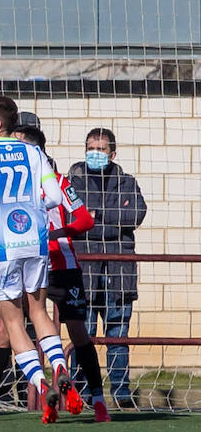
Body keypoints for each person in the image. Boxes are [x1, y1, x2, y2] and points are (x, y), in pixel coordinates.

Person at [0, 118, 104, 421]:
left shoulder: (57, 181)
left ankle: (97, 401)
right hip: (32, 260)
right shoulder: (15, 187)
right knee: (5, 329)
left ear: (36, 151)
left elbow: (84, 220)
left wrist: (55, 234)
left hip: (59, 265)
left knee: (75, 332)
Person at [0, 95, 68, 423]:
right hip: (35, 243)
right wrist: (29, 209)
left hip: (2, 246)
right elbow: (54, 197)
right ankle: (61, 367)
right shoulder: (35, 152)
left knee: (11, 322)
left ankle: (40, 383)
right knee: (38, 311)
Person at [68, 128, 148, 408]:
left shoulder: (127, 182)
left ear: (112, 154)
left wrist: (94, 215)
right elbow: (70, 218)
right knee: (83, 335)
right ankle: (84, 392)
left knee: (117, 335)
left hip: (118, 273)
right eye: (91, 148)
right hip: (84, 272)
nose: (96, 153)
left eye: (101, 149)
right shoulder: (72, 182)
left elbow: (135, 214)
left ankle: (121, 392)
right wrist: (105, 221)